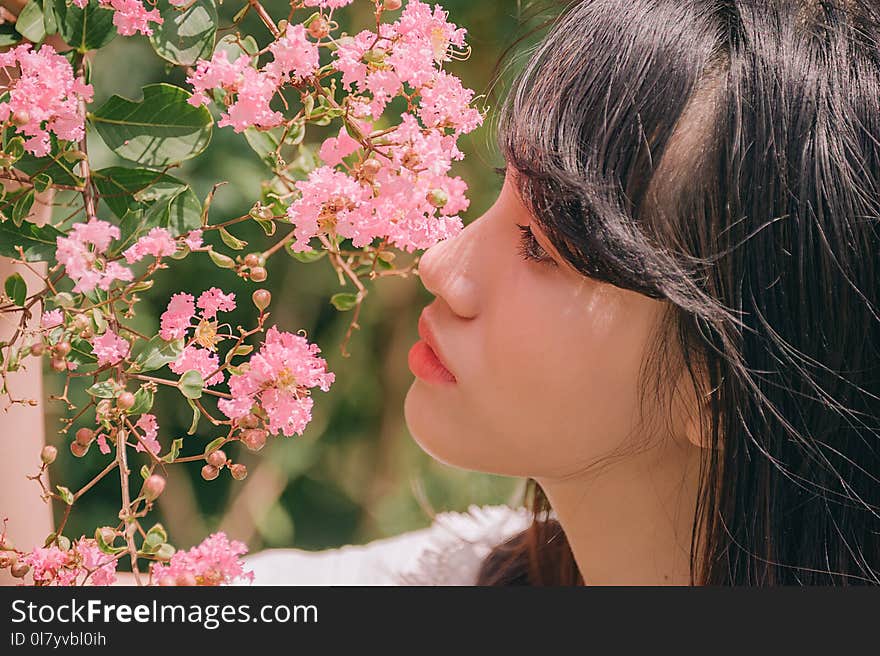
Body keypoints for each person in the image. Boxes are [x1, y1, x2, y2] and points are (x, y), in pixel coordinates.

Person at [5, 0, 880, 586]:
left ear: (725, 384)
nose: (441, 267)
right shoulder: (445, 580)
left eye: (541, 245)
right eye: (502, 186)